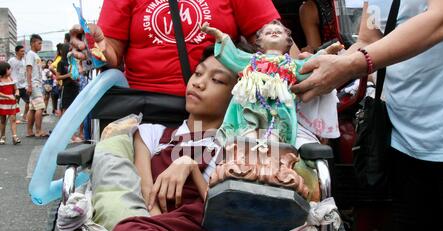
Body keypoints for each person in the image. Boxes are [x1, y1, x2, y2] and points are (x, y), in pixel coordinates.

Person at [107, 47, 317, 231]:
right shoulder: (151, 133)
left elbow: (223, 205)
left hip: (208, 222)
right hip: (163, 226)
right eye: (197, 73)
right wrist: (160, 230)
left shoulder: (235, 144)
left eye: (217, 80)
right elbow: (148, 195)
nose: (199, 83)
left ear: (236, 95)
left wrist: (190, 165)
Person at [293, 0, 443, 231]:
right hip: (405, 136)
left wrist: (351, 64)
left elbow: (442, 20)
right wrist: (323, 64)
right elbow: (368, 41)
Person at [69, 0, 282, 117]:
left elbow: (276, 42)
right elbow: (110, 52)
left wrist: (307, 65)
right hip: (144, 113)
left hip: (220, 114)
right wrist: (94, 48)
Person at [201, 20, 342, 145]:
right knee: (247, 137)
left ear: (288, 41)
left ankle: (273, 163)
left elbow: (309, 65)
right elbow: (233, 55)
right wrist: (220, 37)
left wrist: (325, 53)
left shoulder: (290, 64)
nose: (274, 32)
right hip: (251, 104)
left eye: (278, 32)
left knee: (275, 142)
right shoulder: (251, 60)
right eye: (268, 32)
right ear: (259, 42)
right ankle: (246, 162)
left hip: (279, 107)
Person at [55, 43, 83, 143]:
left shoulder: (73, 62)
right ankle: (65, 135)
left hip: (75, 88)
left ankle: (73, 135)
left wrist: (77, 77)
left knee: (74, 112)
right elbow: (58, 77)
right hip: (66, 89)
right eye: (71, 50)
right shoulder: (61, 63)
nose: (73, 52)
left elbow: (77, 74)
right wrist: (68, 75)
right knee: (66, 112)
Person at [25, 34, 49, 138]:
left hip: (36, 84)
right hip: (34, 84)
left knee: (33, 108)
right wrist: (30, 85)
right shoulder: (30, 54)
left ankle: (30, 131)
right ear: (33, 43)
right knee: (40, 107)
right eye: (39, 43)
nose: (40, 45)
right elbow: (28, 70)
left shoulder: (35, 55)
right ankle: (38, 131)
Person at [0, 62, 21, 145]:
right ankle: (2, 136)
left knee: (13, 119)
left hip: (12, 102)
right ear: (4, 70)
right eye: (9, 69)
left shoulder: (11, 79)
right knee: (3, 120)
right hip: (2, 102)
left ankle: (15, 137)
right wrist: (7, 96)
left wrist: (17, 92)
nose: (10, 70)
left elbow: (16, 89)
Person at [8, 45, 30, 124]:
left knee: (28, 101)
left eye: (24, 51)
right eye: (21, 51)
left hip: (23, 85)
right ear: (16, 52)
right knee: (15, 103)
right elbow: (7, 71)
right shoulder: (11, 60)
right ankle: (13, 119)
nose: (23, 53)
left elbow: (25, 73)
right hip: (14, 85)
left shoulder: (24, 61)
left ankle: (24, 116)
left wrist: (27, 83)